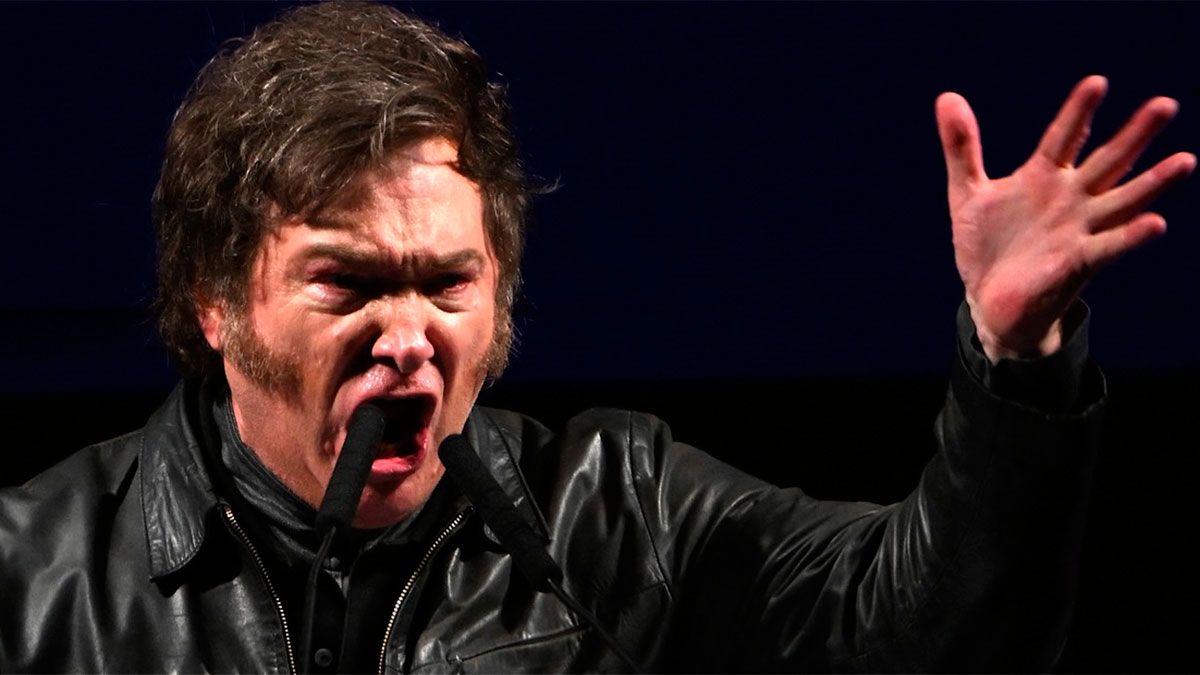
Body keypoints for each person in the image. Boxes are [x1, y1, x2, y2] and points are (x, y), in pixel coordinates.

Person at [0, 3, 1193, 673]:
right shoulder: (32, 572)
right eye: (347, 284)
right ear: (214, 301)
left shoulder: (617, 511)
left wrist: (1014, 357)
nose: (407, 336)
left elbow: (937, 632)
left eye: (448, 284)